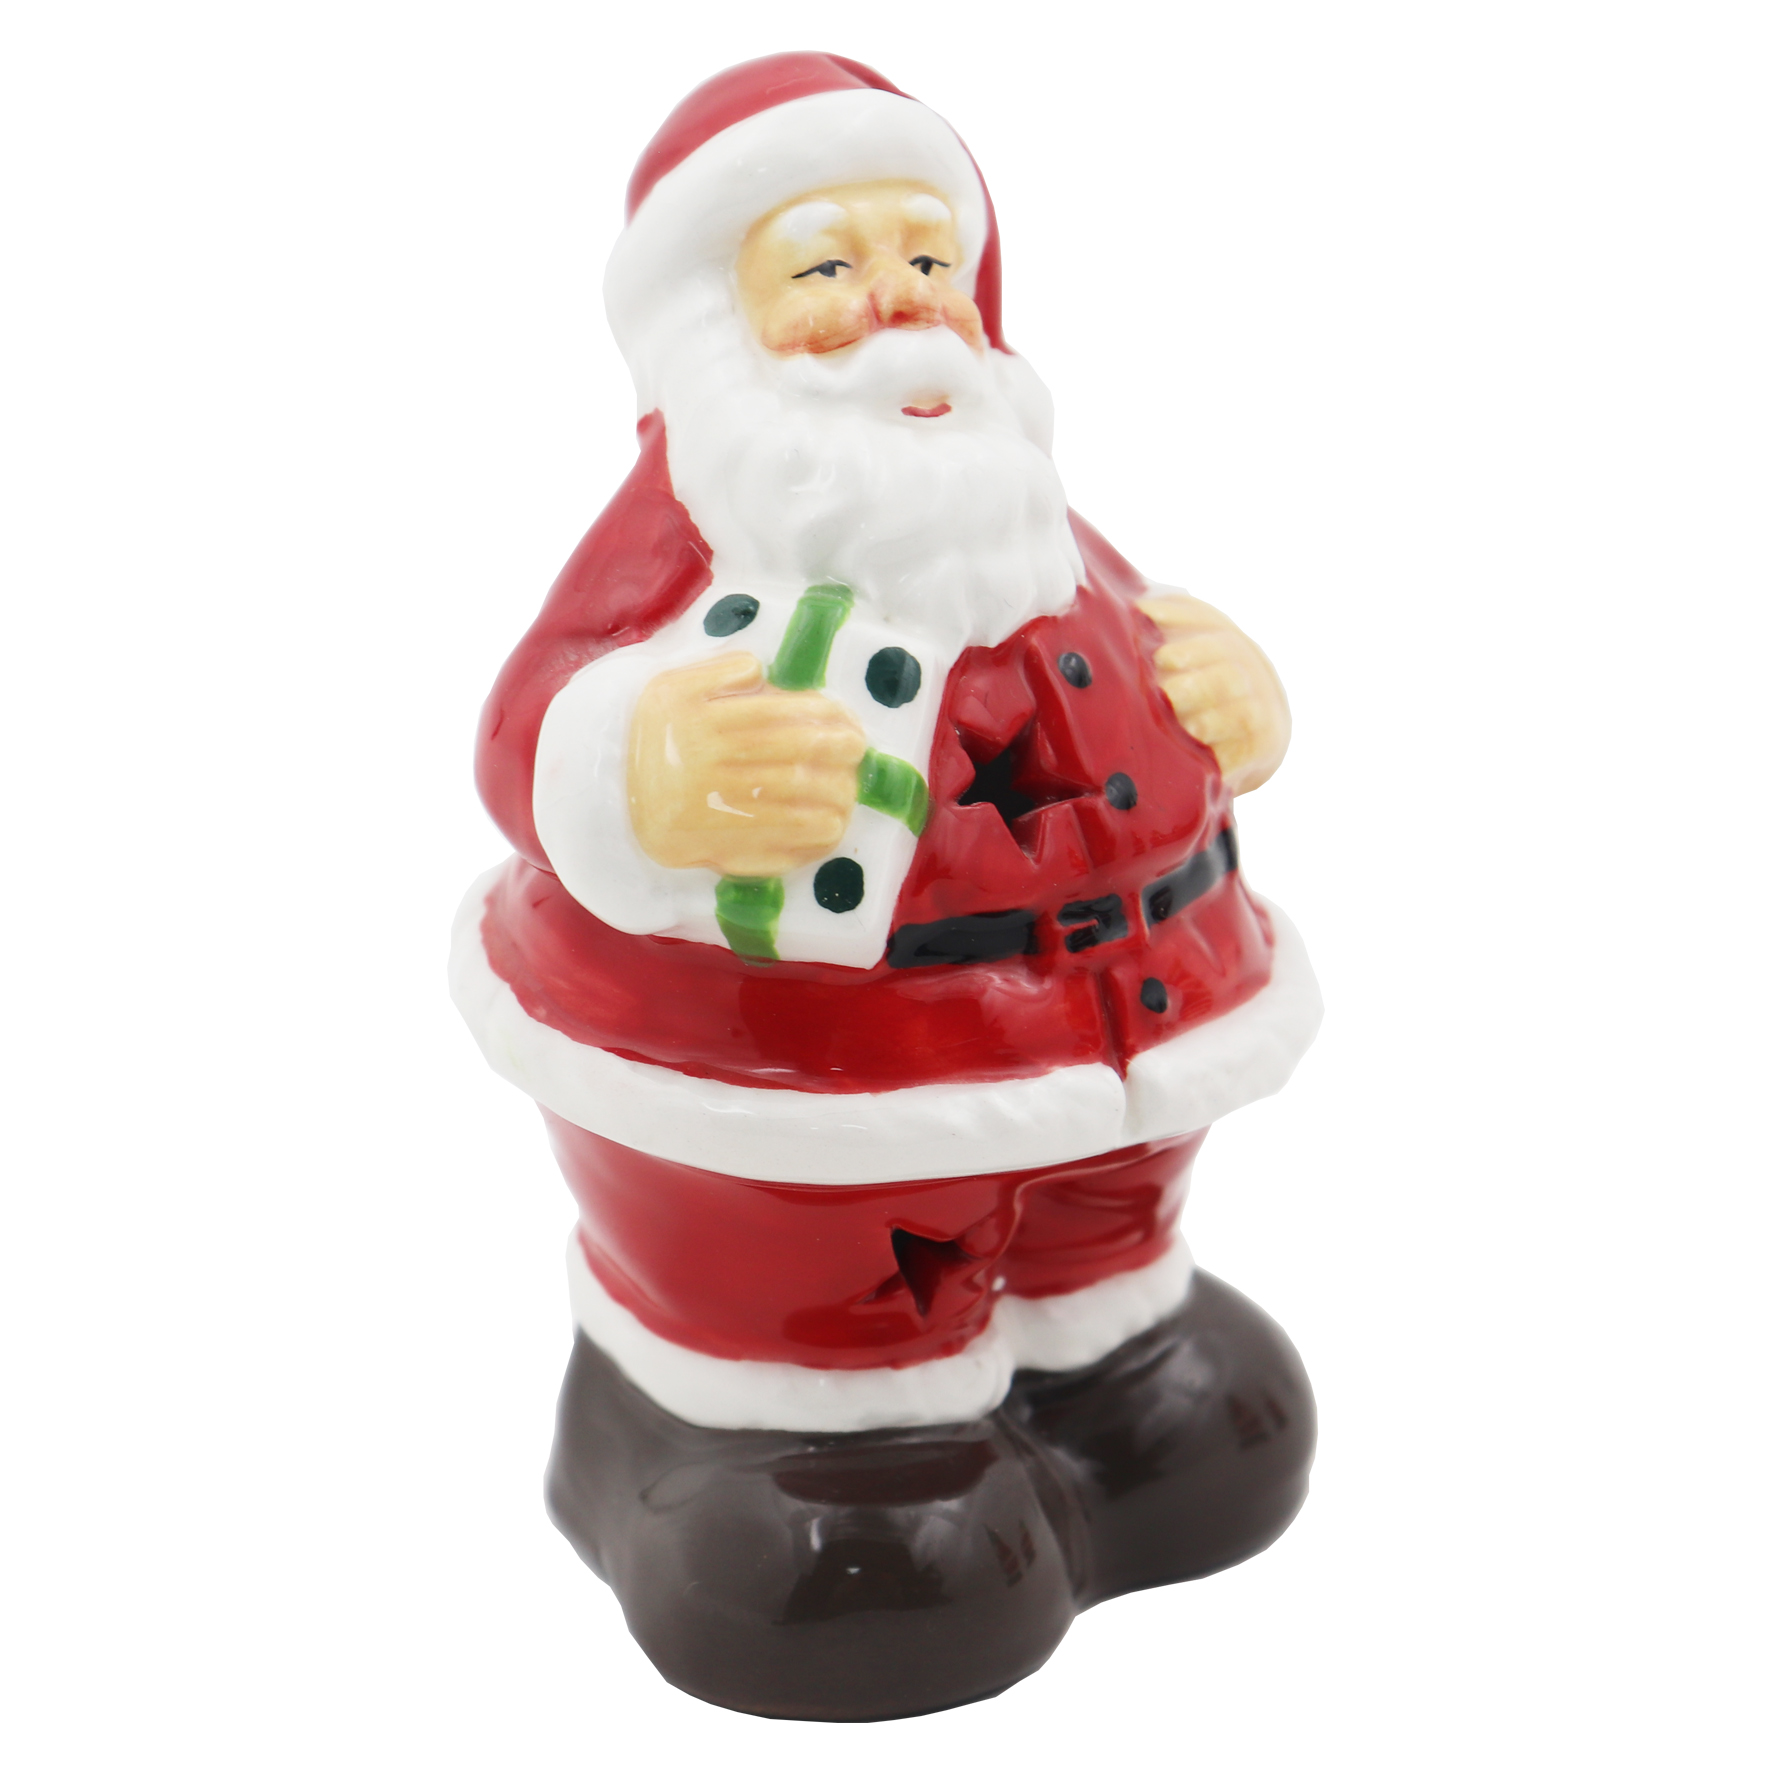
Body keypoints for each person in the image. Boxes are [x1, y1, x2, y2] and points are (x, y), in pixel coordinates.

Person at [452, 52, 1323, 1720]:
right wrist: (638, 767)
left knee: (1131, 1272)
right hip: (796, 1084)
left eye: (927, 256)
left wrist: (1235, 699)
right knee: (827, 1292)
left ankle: (1107, 1356)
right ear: (717, 326)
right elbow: (527, 726)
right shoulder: (690, 528)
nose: (897, 299)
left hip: (1115, 1029)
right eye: (827, 265)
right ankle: (809, 1445)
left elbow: (1129, 645)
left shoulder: (1013, 507)